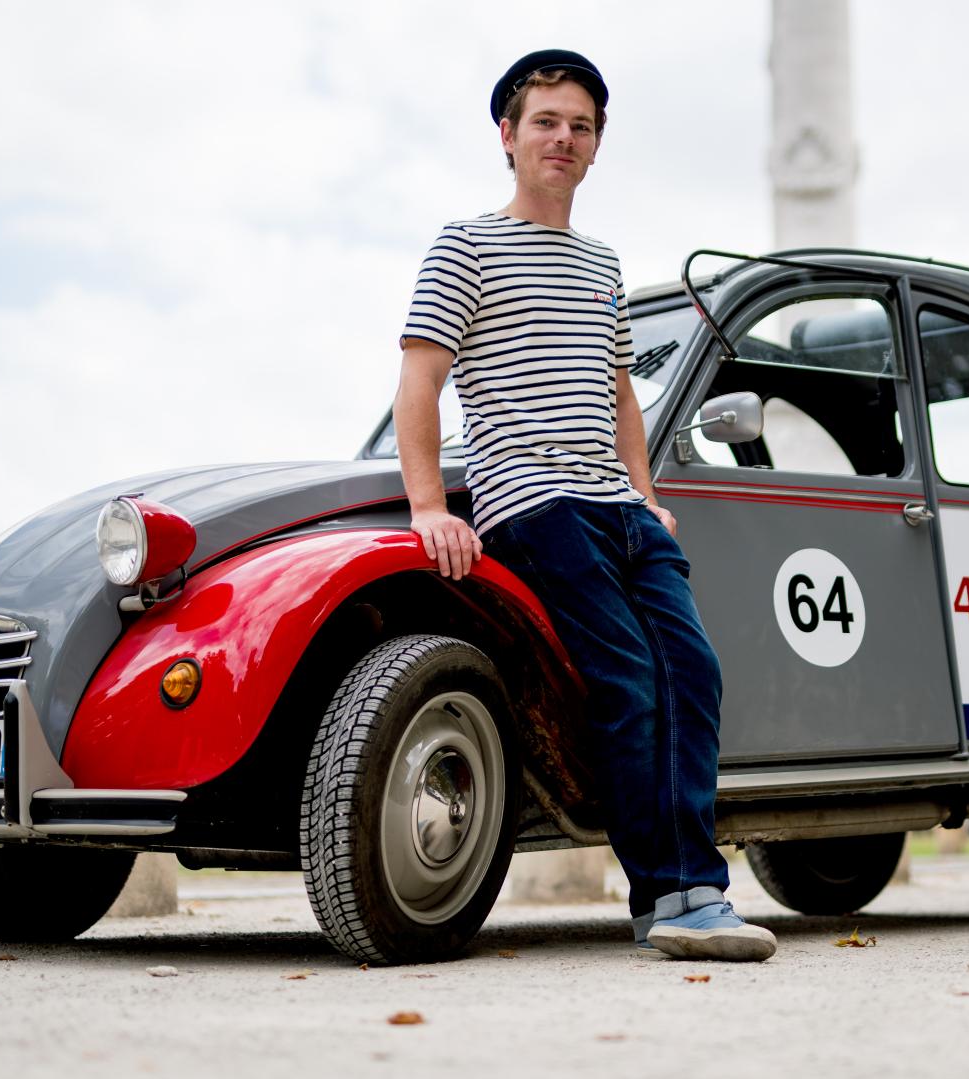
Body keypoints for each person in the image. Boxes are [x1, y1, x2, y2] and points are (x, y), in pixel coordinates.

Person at [393, 49, 775, 962]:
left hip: (621, 510)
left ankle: (689, 893)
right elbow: (419, 384)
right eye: (546, 122)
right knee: (629, 682)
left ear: (596, 146)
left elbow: (620, 395)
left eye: (581, 125)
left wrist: (648, 496)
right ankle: (677, 895)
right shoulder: (464, 245)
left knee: (696, 673)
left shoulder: (602, 264)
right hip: (535, 506)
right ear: (509, 137)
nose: (563, 138)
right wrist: (425, 507)